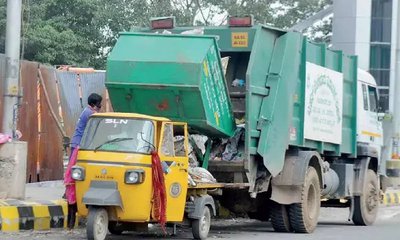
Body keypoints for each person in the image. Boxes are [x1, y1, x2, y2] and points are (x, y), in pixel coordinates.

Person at [64, 93, 103, 230]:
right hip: (79, 145)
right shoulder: (90, 114)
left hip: (77, 144)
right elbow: (100, 123)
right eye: (99, 104)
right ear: (94, 104)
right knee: (74, 172)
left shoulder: (86, 111)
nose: (100, 107)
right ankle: (68, 194)